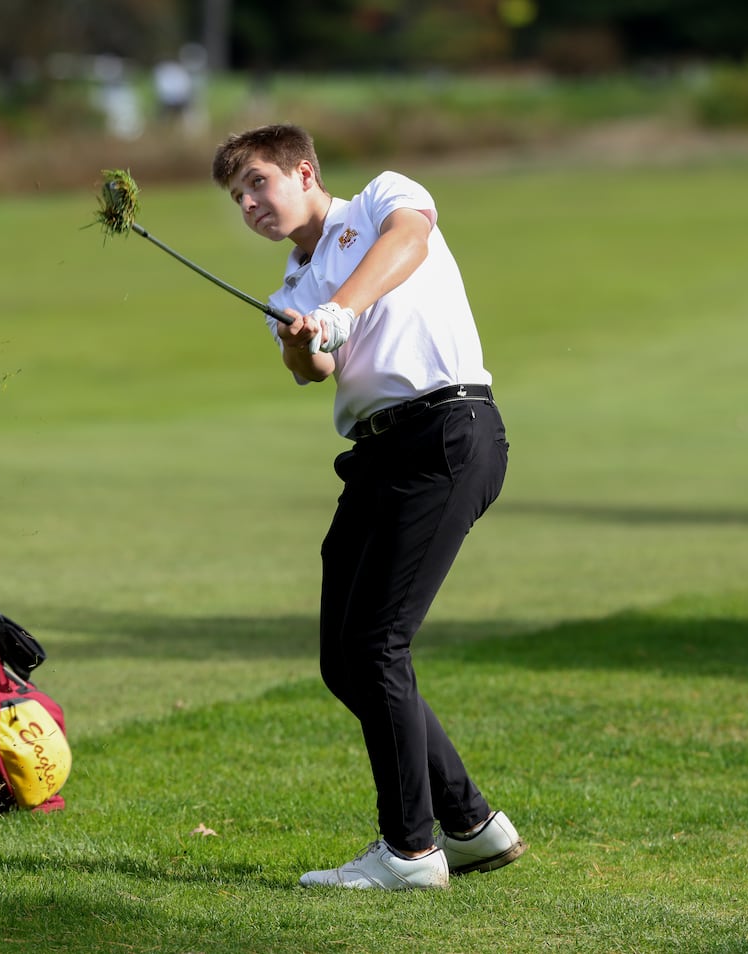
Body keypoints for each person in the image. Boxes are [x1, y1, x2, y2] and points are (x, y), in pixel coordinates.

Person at [211, 124, 525, 891]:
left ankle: (410, 852)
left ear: (304, 172)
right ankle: (473, 826)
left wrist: (343, 307)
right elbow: (312, 369)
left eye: (259, 183)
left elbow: (410, 242)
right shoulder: (287, 291)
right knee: (344, 659)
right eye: (237, 196)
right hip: (379, 455)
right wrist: (301, 336)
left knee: (378, 643)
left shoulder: (383, 197)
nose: (250, 203)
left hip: (447, 429)